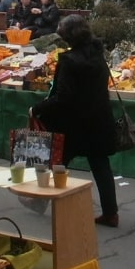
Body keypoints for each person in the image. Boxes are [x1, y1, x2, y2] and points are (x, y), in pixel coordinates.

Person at [32, 15, 118, 226]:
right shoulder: (98, 53)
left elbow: (63, 97)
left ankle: (40, 200)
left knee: (58, 160)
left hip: (75, 123)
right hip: (99, 118)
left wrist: (37, 108)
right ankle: (110, 213)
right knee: (100, 165)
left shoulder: (70, 61)